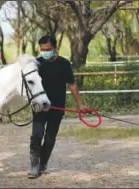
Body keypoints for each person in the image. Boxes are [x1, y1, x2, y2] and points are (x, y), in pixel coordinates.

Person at [28, 35, 90, 179]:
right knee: (36, 135)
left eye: (48, 49)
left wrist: (80, 104)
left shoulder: (64, 63)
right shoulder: (36, 64)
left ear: (55, 48)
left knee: (50, 138)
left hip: (57, 107)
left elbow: (72, 85)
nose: (45, 52)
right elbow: (29, 85)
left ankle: (43, 164)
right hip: (39, 107)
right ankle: (34, 166)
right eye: (42, 49)